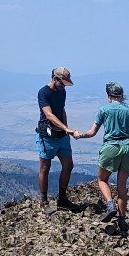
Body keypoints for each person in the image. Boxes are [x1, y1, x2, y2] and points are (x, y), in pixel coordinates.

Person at [83, 80, 129, 233]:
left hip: (111, 147)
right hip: (127, 149)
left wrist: (78, 135)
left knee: (102, 179)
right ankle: (122, 219)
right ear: (121, 96)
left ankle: (109, 205)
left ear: (109, 95)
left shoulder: (103, 110)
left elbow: (92, 132)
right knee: (122, 185)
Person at [36, 67, 89, 211]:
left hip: (62, 135)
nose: (64, 86)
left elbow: (61, 110)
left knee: (68, 165)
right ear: (55, 78)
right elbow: (49, 115)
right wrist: (66, 129)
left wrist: (66, 129)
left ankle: (62, 198)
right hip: (47, 135)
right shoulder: (43, 92)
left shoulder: (62, 91)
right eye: (63, 82)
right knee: (45, 167)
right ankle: (43, 201)